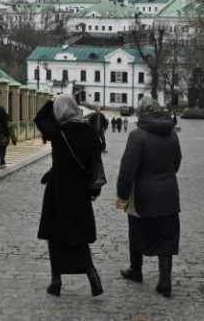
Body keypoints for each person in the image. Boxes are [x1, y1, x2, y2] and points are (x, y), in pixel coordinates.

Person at [35, 94, 104, 297]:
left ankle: (56, 281)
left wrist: (51, 101)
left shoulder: (58, 133)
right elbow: (96, 165)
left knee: (55, 234)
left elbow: (39, 120)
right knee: (79, 233)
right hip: (81, 190)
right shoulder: (91, 133)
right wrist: (94, 191)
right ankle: (92, 275)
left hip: (58, 190)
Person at [116, 96, 181, 298]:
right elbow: (177, 161)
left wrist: (123, 196)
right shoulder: (171, 134)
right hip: (169, 193)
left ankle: (136, 270)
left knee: (136, 231)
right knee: (167, 236)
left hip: (142, 195)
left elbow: (128, 169)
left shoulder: (138, 135)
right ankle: (165, 281)